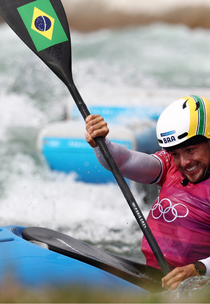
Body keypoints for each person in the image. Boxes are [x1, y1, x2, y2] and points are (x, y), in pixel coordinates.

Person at [84, 95, 210, 291]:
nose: (184, 162)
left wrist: (199, 268)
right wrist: (101, 143)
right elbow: (123, 162)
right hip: (158, 278)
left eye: (190, 150)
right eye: (175, 153)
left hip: (198, 286)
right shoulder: (170, 165)